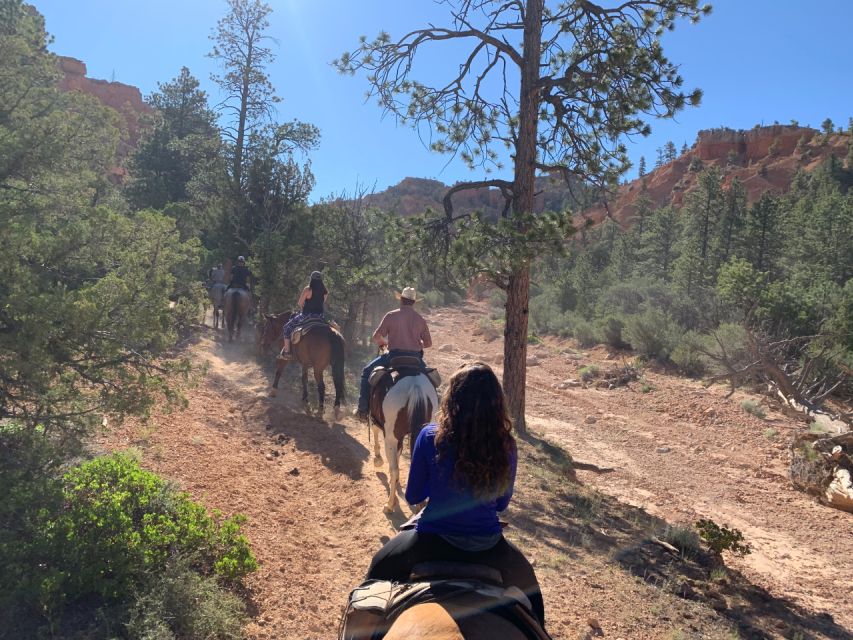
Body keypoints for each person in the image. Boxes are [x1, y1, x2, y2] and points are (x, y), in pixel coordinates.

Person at [366, 363, 545, 627]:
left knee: (374, 577)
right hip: (488, 545)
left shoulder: (429, 436)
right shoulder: (506, 443)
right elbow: (502, 504)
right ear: (497, 403)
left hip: (429, 541)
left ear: (452, 398)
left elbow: (414, 494)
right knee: (536, 604)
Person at [354, 286, 432, 421]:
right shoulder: (420, 319)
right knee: (431, 379)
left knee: (366, 372)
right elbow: (428, 343)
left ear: (401, 300)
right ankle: (432, 415)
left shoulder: (391, 315)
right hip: (415, 359)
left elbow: (376, 336)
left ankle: (362, 410)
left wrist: (383, 345)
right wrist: (418, 344)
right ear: (414, 302)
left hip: (394, 357)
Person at [279, 271, 328, 358]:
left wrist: (304, 308)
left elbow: (300, 303)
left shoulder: (308, 289)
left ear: (311, 279)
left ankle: (287, 352)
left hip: (307, 315)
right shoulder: (325, 292)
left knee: (287, 327)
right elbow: (322, 302)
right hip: (320, 316)